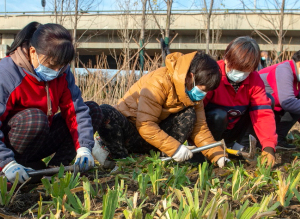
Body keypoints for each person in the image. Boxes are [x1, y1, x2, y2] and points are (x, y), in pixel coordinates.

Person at [0, 22, 101, 185]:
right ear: (33, 52)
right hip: (8, 143)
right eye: (52, 65)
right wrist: (6, 162)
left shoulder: (62, 72)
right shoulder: (5, 75)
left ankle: (58, 170)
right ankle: (0, 169)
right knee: (35, 119)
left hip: (39, 138)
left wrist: (84, 147)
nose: (56, 71)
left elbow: (76, 111)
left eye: (62, 67)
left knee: (92, 110)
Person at [97, 52, 228, 167]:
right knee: (105, 111)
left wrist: (217, 156)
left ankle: (157, 157)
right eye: (202, 89)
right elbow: (145, 125)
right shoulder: (159, 81)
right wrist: (175, 148)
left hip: (154, 137)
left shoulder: (193, 97)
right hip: (131, 130)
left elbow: (200, 128)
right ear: (191, 77)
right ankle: (119, 159)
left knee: (189, 114)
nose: (203, 94)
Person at [202, 37, 277, 167]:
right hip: (212, 129)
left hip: (235, 128)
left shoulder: (254, 80)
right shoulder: (211, 74)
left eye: (246, 71)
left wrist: (269, 147)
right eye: (236, 68)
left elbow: (262, 113)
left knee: (269, 100)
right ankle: (211, 149)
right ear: (226, 58)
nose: (240, 75)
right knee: (218, 115)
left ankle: (241, 145)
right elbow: (197, 112)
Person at [257, 46, 300, 150]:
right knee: (294, 105)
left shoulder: (297, 78)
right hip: (258, 111)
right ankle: (267, 141)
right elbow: (287, 102)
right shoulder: (284, 70)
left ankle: (278, 140)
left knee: (298, 105)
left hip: (272, 110)